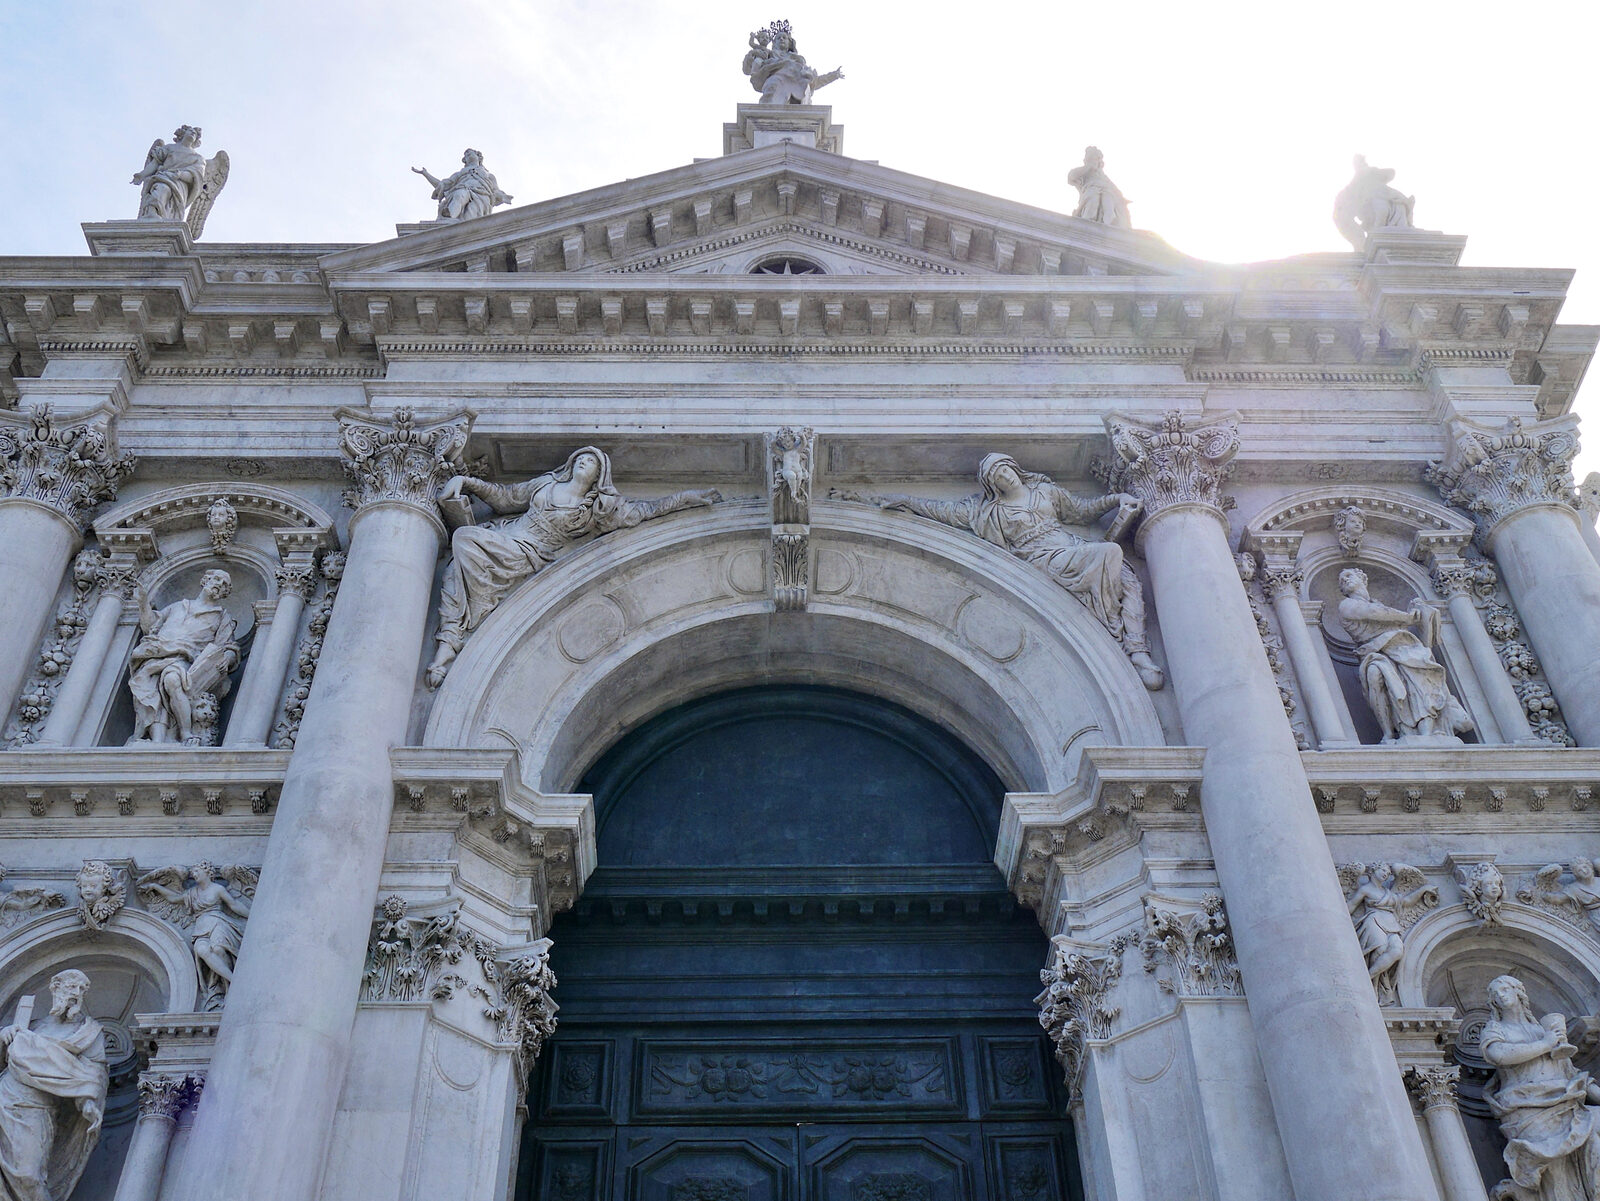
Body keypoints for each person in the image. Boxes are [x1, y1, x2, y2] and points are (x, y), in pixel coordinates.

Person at [426, 448, 720, 687]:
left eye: (591, 461)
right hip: (506, 535)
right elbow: (506, 498)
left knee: (464, 544)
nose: (583, 462)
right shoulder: (547, 484)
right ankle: (451, 636)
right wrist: (466, 482)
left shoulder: (597, 509)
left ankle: (453, 637)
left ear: (599, 474)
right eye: (580, 458)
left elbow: (646, 510)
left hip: (530, 553)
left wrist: (685, 499)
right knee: (460, 553)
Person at [871, 453, 1163, 689]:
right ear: (993, 485)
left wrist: (1116, 500)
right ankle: (1113, 623)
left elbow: (1081, 511)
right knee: (1110, 553)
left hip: (1073, 547)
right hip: (1044, 558)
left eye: (1005, 469)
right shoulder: (988, 512)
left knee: (1128, 578)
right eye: (997, 476)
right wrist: (907, 501)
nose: (1005, 476)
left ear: (1015, 468)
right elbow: (943, 511)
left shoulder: (1045, 491)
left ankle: (1138, 652)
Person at [1482, 974, 1600, 1200]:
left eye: (1505, 989)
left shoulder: (1543, 1029)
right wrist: (1545, 1044)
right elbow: (1498, 1054)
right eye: (1495, 994)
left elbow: (1573, 1074)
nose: (1500, 996)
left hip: (1566, 1101)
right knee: (1554, 1171)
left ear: (1518, 991)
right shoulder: (1495, 1029)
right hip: (1527, 1109)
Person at [0, 969, 107, 1201]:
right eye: (71, 987)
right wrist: (4, 1037)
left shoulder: (88, 1033)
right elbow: (6, 1059)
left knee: (29, 1176)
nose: (76, 993)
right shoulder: (31, 1026)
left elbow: (95, 1073)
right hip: (5, 1095)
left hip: (36, 1108)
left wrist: (88, 1100)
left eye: (81, 989)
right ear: (55, 988)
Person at [1337, 568, 1472, 742]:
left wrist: (1417, 611)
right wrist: (1408, 617)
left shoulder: (1377, 603)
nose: (1344, 580)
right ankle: (1388, 733)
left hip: (1403, 648)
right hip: (1375, 654)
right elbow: (1373, 613)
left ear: (1362, 578)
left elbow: (1383, 614)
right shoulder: (1347, 605)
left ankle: (1427, 730)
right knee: (1375, 674)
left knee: (1420, 681)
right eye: (1341, 581)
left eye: (1348, 575)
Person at [126, 570, 240, 745]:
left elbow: (229, 646)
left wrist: (228, 657)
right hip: (155, 654)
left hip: (187, 660)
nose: (219, 584)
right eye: (217, 579)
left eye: (224, 584)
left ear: (225, 593)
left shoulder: (220, 616)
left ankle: (185, 733)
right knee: (151, 691)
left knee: (172, 679)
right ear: (205, 580)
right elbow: (150, 626)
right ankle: (157, 740)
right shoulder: (178, 606)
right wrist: (143, 603)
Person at [1342, 862, 1436, 1004]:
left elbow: (1406, 901)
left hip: (1391, 924)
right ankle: (1371, 986)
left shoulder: (1389, 892)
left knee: (1397, 951)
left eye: (1387, 872)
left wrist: (1423, 889)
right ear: (1373, 871)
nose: (1386, 874)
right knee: (1380, 948)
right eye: (1383, 870)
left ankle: (1366, 978)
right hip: (1374, 921)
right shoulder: (1365, 889)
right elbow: (1352, 905)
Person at [742, 22, 842, 105]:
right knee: (773, 85)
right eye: (779, 38)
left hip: (798, 83)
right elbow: (748, 70)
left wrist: (834, 75)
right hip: (776, 80)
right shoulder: (768, 54)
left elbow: (813, 81)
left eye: (784, 37)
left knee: (805, 88)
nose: (781, 39)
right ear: (774, 43)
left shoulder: (798, 60)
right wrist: (750, 58)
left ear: (789, 43)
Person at [1333, 156, 1414, 251]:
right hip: (1370, 201)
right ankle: (1376, 236)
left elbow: (1391, 172)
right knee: (1382, 212)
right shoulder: (1359, 181)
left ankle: (1378, 234)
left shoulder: (1369, 175)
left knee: (1387, 210)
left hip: (1381, 197)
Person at [131, 125, 209, 222]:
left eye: (195, 134)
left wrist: (179, 175)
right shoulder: (169, 148)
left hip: (180, 183)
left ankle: (163, 217)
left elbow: (195, 176)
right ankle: (152, 212)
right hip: (163, 177)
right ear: (182, 133)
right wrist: (141, 175)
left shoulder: (198, 158)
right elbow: (155, 164)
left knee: (171, 205)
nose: (193, 133)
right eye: (190, 131)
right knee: (161, 189)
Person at [411, 149, 513, 221]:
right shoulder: (460, 173)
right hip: (463, 190)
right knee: (459, 194)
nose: (467, 156)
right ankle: (449, 216)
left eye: (469, 153)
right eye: (466, 156)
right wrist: (426, 174)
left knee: (470, 217)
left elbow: (495, 190)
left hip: (482, 196)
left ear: (478, 157)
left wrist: (503, 196)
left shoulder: (489, 175)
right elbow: (442, 185)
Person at [1067, 147, 1131, 229]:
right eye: (1092, 158)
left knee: (1109, 207)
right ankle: (1087, 224)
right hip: (1091, 190)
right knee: (1092, 200)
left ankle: (1108, 227)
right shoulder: (1084, 171)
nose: (1095, 161)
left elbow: (1112, 186)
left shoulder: (1102, 176)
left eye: (1096, 159)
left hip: (1107, 192)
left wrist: (1122, 198)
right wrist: (1089, 167)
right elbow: (1071, 177)